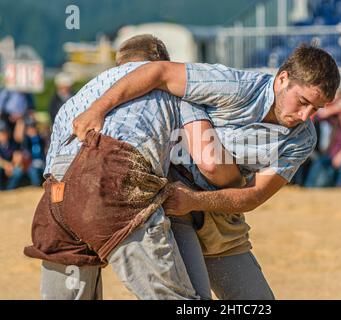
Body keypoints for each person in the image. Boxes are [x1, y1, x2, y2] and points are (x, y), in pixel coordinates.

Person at [72, 43, 340, 299]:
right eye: (303, 102)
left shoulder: (304, 138)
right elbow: (159, 72)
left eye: (316, 109)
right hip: (173, 197)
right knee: (193, 300)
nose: (306, 116)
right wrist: (97, 110)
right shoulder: (235, 86)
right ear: (282, 79)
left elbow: (255, 195)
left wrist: (197, 200)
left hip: (219, 210)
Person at [27, 34, 243, 300]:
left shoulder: (81, 95)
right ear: (161, 63)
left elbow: (51, 164)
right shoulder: (169, 84)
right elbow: (210, 162)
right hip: (111, 182)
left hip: (56, 198)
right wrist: (238, 185)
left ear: (119, 64)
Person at [305, 105, 341, 187]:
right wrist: (335, 109)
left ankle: (340, 187)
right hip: (330, 155)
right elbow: (319, 117)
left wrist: (340, 157)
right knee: (318, 162)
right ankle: (308, 185)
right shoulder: (336, 123)